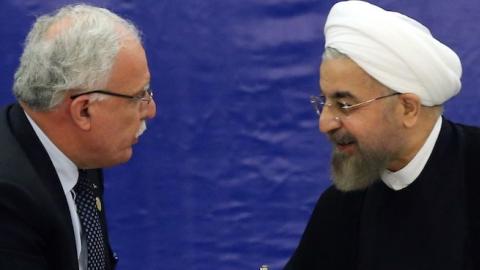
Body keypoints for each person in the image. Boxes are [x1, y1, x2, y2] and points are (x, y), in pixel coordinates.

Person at [285, 1, 480, 269]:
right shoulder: (341, 205)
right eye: (325, 102)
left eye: (344, 104)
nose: (325, 123)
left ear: (407, 108)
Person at [0, 4, 156, 270]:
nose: (150, 110)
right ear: (83, 111)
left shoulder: (78, 154)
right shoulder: (8, 198)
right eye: (138, 97)